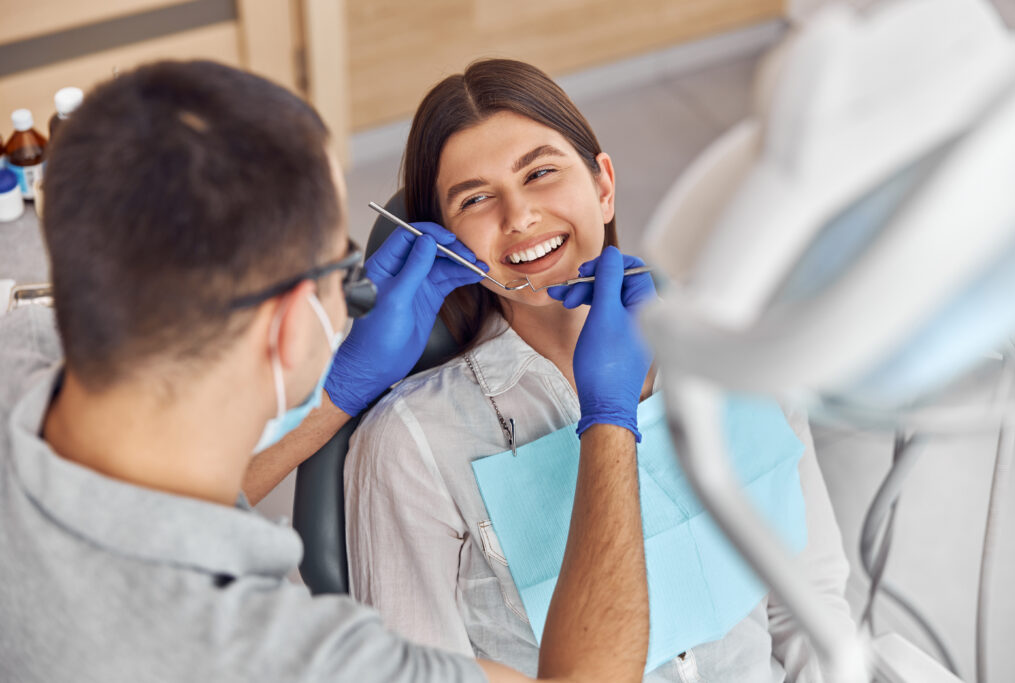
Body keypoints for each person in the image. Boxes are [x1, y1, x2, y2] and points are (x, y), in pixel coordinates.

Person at [0, 59, 653, 683]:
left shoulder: (16, 357)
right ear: (290, 326)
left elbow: (151, 510)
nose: (518, 215)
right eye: (340, 269)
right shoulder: (290, 656)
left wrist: (340, 391)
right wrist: (610, 418)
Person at [342, 58, 856, 682]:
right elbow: (413, 672)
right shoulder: (411, 442)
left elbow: (809, 608)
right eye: (476, 198)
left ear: (603, 185)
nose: (521, 216)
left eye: (541, 172)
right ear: (441, 239)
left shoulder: (734, 352)